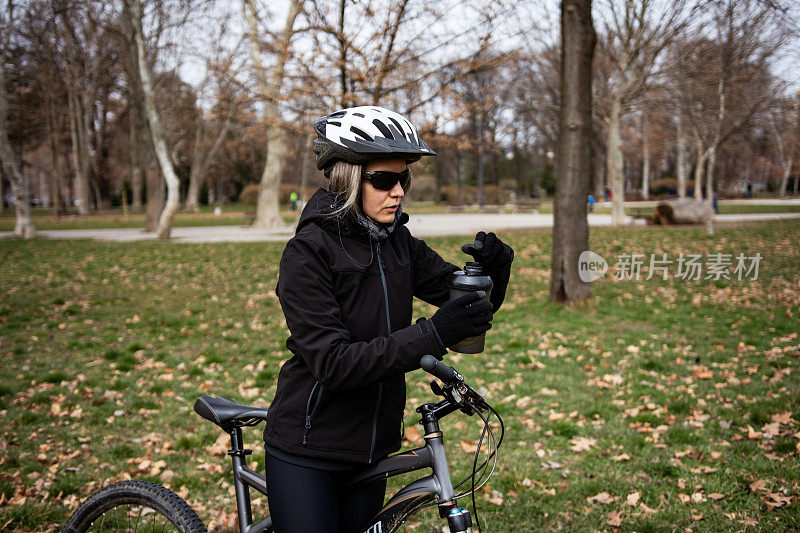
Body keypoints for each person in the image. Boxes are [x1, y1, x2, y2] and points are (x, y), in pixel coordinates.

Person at [262, 106, 514, 533]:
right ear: (347, 178)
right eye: (383, 180)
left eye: (404, 179)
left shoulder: (398, 243)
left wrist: (491, 277)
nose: (398, 192)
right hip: (309, 450)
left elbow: (464, 311)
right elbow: (334, 364)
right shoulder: (308, 254)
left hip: (372, 447)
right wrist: (433, 333)